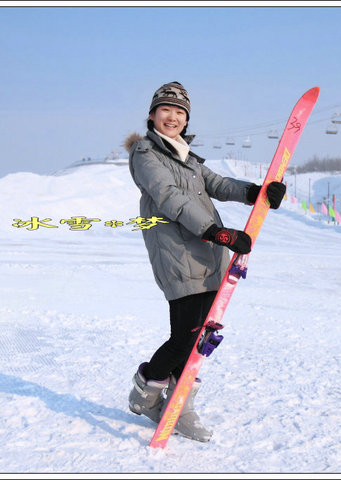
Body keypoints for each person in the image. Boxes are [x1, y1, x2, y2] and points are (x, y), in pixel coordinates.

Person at [125, 81, 286, 442]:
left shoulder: (188, 158)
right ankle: (147, 390)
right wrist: (217, 231)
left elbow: (218, 184)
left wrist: (256, 192)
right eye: (166, 110)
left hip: (207, 254)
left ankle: (179, 404)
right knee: (184, 336)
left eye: (180, 112)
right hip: (178, 253)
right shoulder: (146, 154)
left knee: (197, 337)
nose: (173, 117)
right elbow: (169, 198)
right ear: (152, 115)